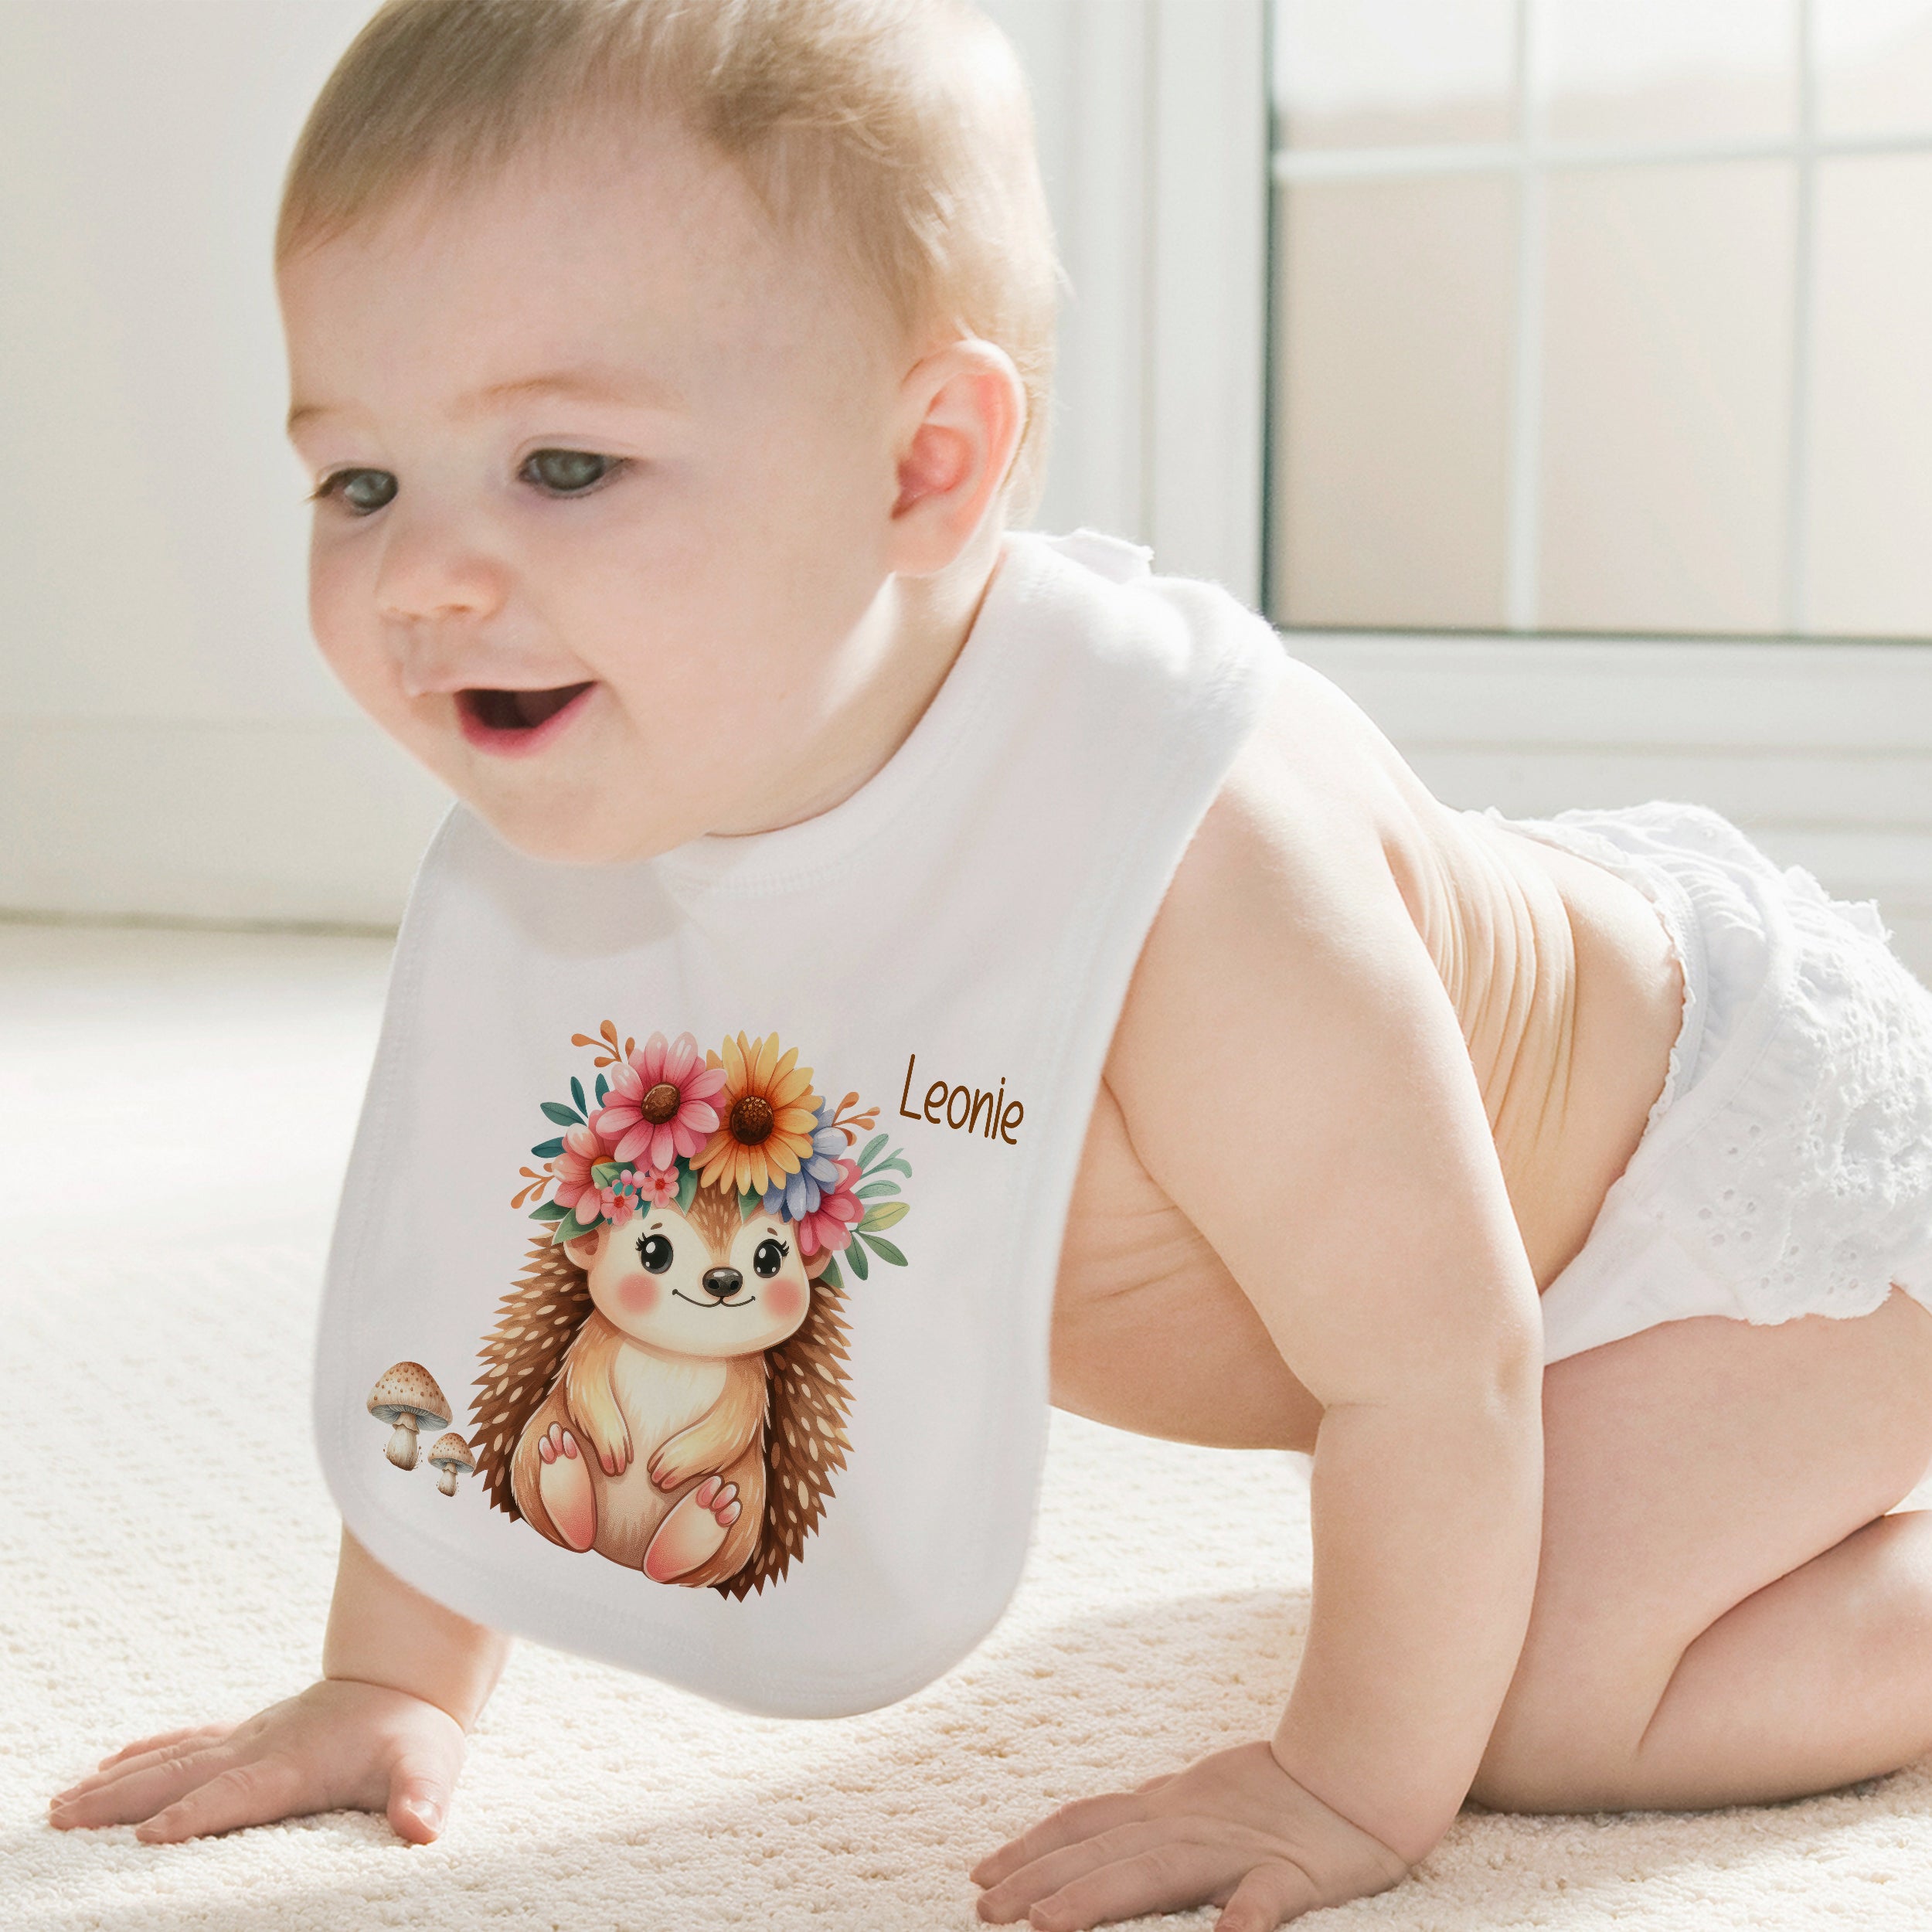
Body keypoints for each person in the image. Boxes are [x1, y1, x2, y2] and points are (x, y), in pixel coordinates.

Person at [46, 3, 1932, 1927]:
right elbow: (514, 1275)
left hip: (1713, 1215)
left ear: (920, 467)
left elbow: (1441, 1360)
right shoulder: (613, 807)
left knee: (1530, 1708)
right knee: (1478, 1593)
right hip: (1502, 1245)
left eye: (560, 464)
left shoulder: (1187, 862)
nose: (421, 577)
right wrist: (396, 1671)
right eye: (356, 482)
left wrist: (1344, 1786)